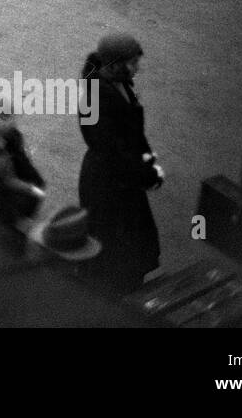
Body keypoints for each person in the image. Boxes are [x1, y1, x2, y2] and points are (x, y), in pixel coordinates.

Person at [77, 32, 163, 295]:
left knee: (121, 244)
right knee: (114, 246)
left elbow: (131, 133)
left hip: (117, 178)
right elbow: (113, 150)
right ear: (114, 65)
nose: (137, 68)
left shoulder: (116, 83)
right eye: (132, 63)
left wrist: (147, 159)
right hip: (107, 183)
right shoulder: (96, 99)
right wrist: (146, 174)